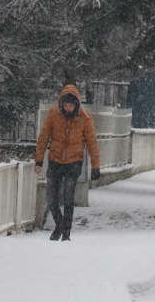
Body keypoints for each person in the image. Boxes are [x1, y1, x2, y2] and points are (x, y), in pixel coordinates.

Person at [34, 84, 101, 242]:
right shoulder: (53, 115)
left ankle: (66, 232)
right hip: (55, 160)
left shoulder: (85, 118)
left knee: (68, 197)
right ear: (61, 104)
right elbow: (43, 138)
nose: (69, 108)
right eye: (66, 105)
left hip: (74, 161)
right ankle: (59, 223)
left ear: (76, 104)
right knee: (51, 197)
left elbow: (92, 143)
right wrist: (38, 160)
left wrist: (96, 166)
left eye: (71, 105)